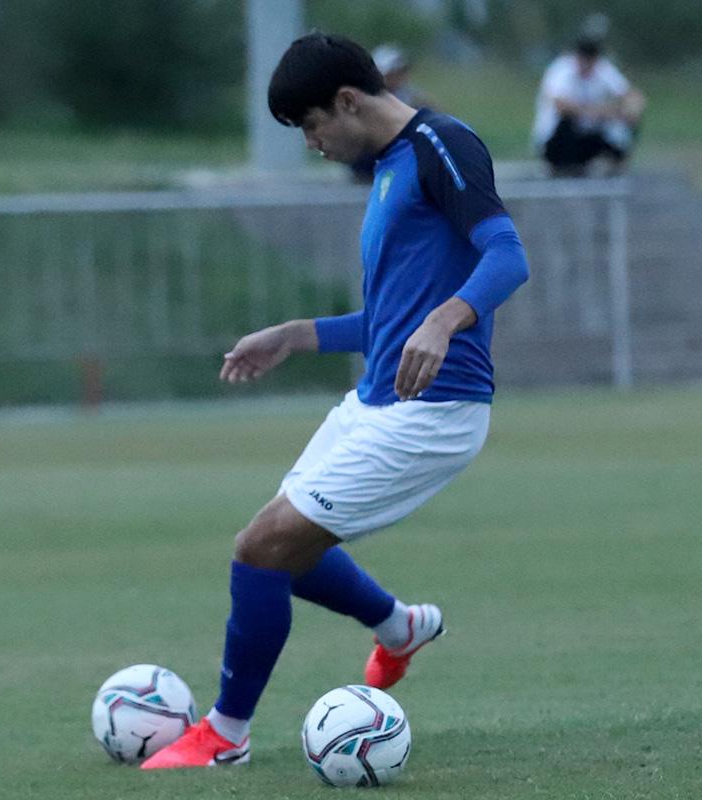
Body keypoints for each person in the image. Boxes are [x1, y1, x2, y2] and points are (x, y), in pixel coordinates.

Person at [141, 32, 530, 770]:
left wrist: (447, 321)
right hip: (375, 401)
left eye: (312, 125)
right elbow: (389, 320)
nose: (313, 143)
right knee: (280, 550)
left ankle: (224, 735)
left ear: (348, 101)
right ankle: (399, 627)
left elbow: (508, 255)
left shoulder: (441, 144)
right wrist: (295, 335)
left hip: (434, 411)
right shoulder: (386, 168)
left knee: (261, 548)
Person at [532, 27, 646, 177]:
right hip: (557, 138)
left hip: (589, 133)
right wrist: (602, 112)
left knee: (624, 119)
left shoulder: (602, 69)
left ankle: (614, 159)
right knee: (569, 122)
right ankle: (562, 164)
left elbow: (632, 95)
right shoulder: (561, 70)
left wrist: (630, 110)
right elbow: (561, 105)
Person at [349, 43, 429, 183]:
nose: (397, 78)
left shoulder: (409, 96)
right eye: (393, 73)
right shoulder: (367, 96)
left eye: (400, 72)